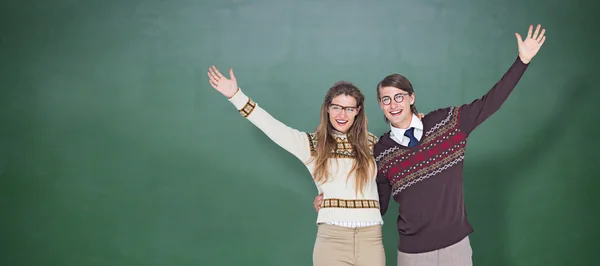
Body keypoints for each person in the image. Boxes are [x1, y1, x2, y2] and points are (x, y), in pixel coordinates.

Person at [313, 24, 547, 266]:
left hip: (456, 247)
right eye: (386, 99)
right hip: (412, 254)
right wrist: (331, 199)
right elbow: (376, 204)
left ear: (411, 98)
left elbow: (490, 102)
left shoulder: (448, 123)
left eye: (399, 96)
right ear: (381, 106)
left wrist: (522, 61)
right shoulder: (381, 151)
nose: (393, 104)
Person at [207, 66, 386, 266]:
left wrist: (417, 123)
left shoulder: (375, 144)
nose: (342, 114)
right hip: (332, 240)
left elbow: (402, 160)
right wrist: (236, 95)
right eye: (336, 107)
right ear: (327, 108)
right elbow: (273, 127)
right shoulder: (311, 145)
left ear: (358, 111)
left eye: (349, 108)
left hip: (371, 239)